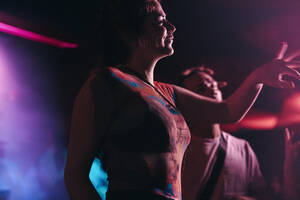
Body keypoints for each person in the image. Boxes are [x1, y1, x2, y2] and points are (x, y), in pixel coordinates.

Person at [64, 0, 300, 199]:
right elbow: (75, 174)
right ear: (131, 32)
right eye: (159, 21)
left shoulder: (166, 92)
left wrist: (259, 76)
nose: (172, 27)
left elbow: (228, 111)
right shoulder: (106, 83)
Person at [180, 66, 267, 200]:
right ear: (186, 103)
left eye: (213, 83)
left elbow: (262, 194)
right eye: (201, 88)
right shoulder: (179, 149)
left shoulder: (243, 148)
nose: (212, 88)